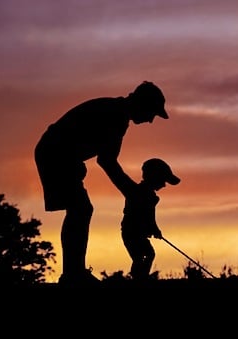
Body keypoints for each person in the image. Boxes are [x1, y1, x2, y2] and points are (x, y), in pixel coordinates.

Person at [34, 81, 170, 286]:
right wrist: (132, 191)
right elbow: (107, 161)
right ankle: (73, 274)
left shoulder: (118, 114)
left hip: (60, 155)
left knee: (80, 209)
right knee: (80, 208)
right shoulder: (116, 116)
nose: (151, 120)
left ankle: (74, 272)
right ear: (143, 104)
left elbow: (106, 160)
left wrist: (131, 191)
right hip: (55, 154)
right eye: (152, 113)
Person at [120, 158, 180, 282]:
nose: (164, 185)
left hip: (134, 234)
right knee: (144, 255)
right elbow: (148, 218)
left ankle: (140, 277)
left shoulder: (148, 195)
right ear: (154, 178)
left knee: (146, 254)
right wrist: (154, 229)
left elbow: (150, 218)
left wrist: (154, 229)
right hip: (132, 233)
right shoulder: (143, 194)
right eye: (163, 181)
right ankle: (139, 278)